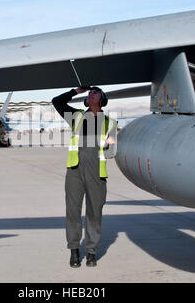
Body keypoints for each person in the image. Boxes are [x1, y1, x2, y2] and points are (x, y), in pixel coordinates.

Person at [52, 86, 117, 268]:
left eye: (95, 92)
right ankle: (74, 250)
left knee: (94, 213)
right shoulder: (77, 117)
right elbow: (56, 102)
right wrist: (76, 91)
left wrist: (106, 144)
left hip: (97, 172)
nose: (91, 93)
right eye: (90, 93)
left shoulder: (110, 123)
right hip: (75, 170)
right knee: (72, 211)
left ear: (102, 99)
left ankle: (91, 252)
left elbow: (112, 152)